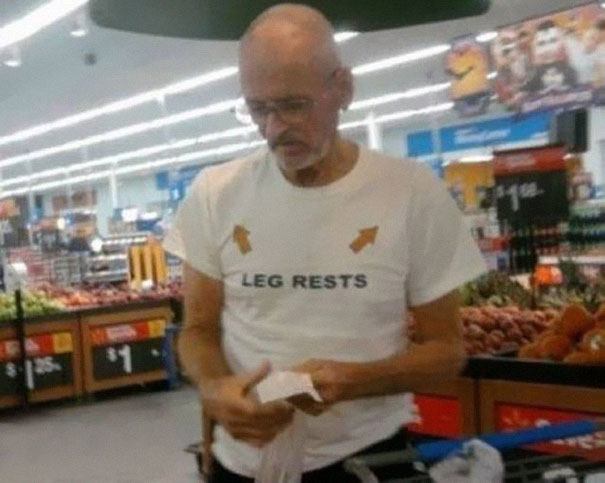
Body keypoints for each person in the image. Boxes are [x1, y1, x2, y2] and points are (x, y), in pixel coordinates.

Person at [164, 4, 486, 482]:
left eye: (294, 105)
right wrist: (215, 386)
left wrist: (352, 381)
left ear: (343, 89)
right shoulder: (215, 193)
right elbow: (198, 330)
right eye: (257, 109)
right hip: (243, 464)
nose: (275, 128)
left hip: (365, 459)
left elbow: (446, 352)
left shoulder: (411, 193)